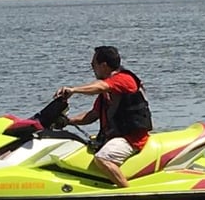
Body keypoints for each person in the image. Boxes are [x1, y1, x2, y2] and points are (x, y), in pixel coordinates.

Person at [54, 46, 152, 187]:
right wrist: (66, 121)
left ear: (104, 66)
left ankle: (128, 192)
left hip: (132, 139)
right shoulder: (109, 91)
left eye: (93, 65)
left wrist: (74, 90)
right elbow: (92, 115)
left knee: (102, 158)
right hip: (116, 137)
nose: (92, 69)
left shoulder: (124, 79)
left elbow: (100, 86)